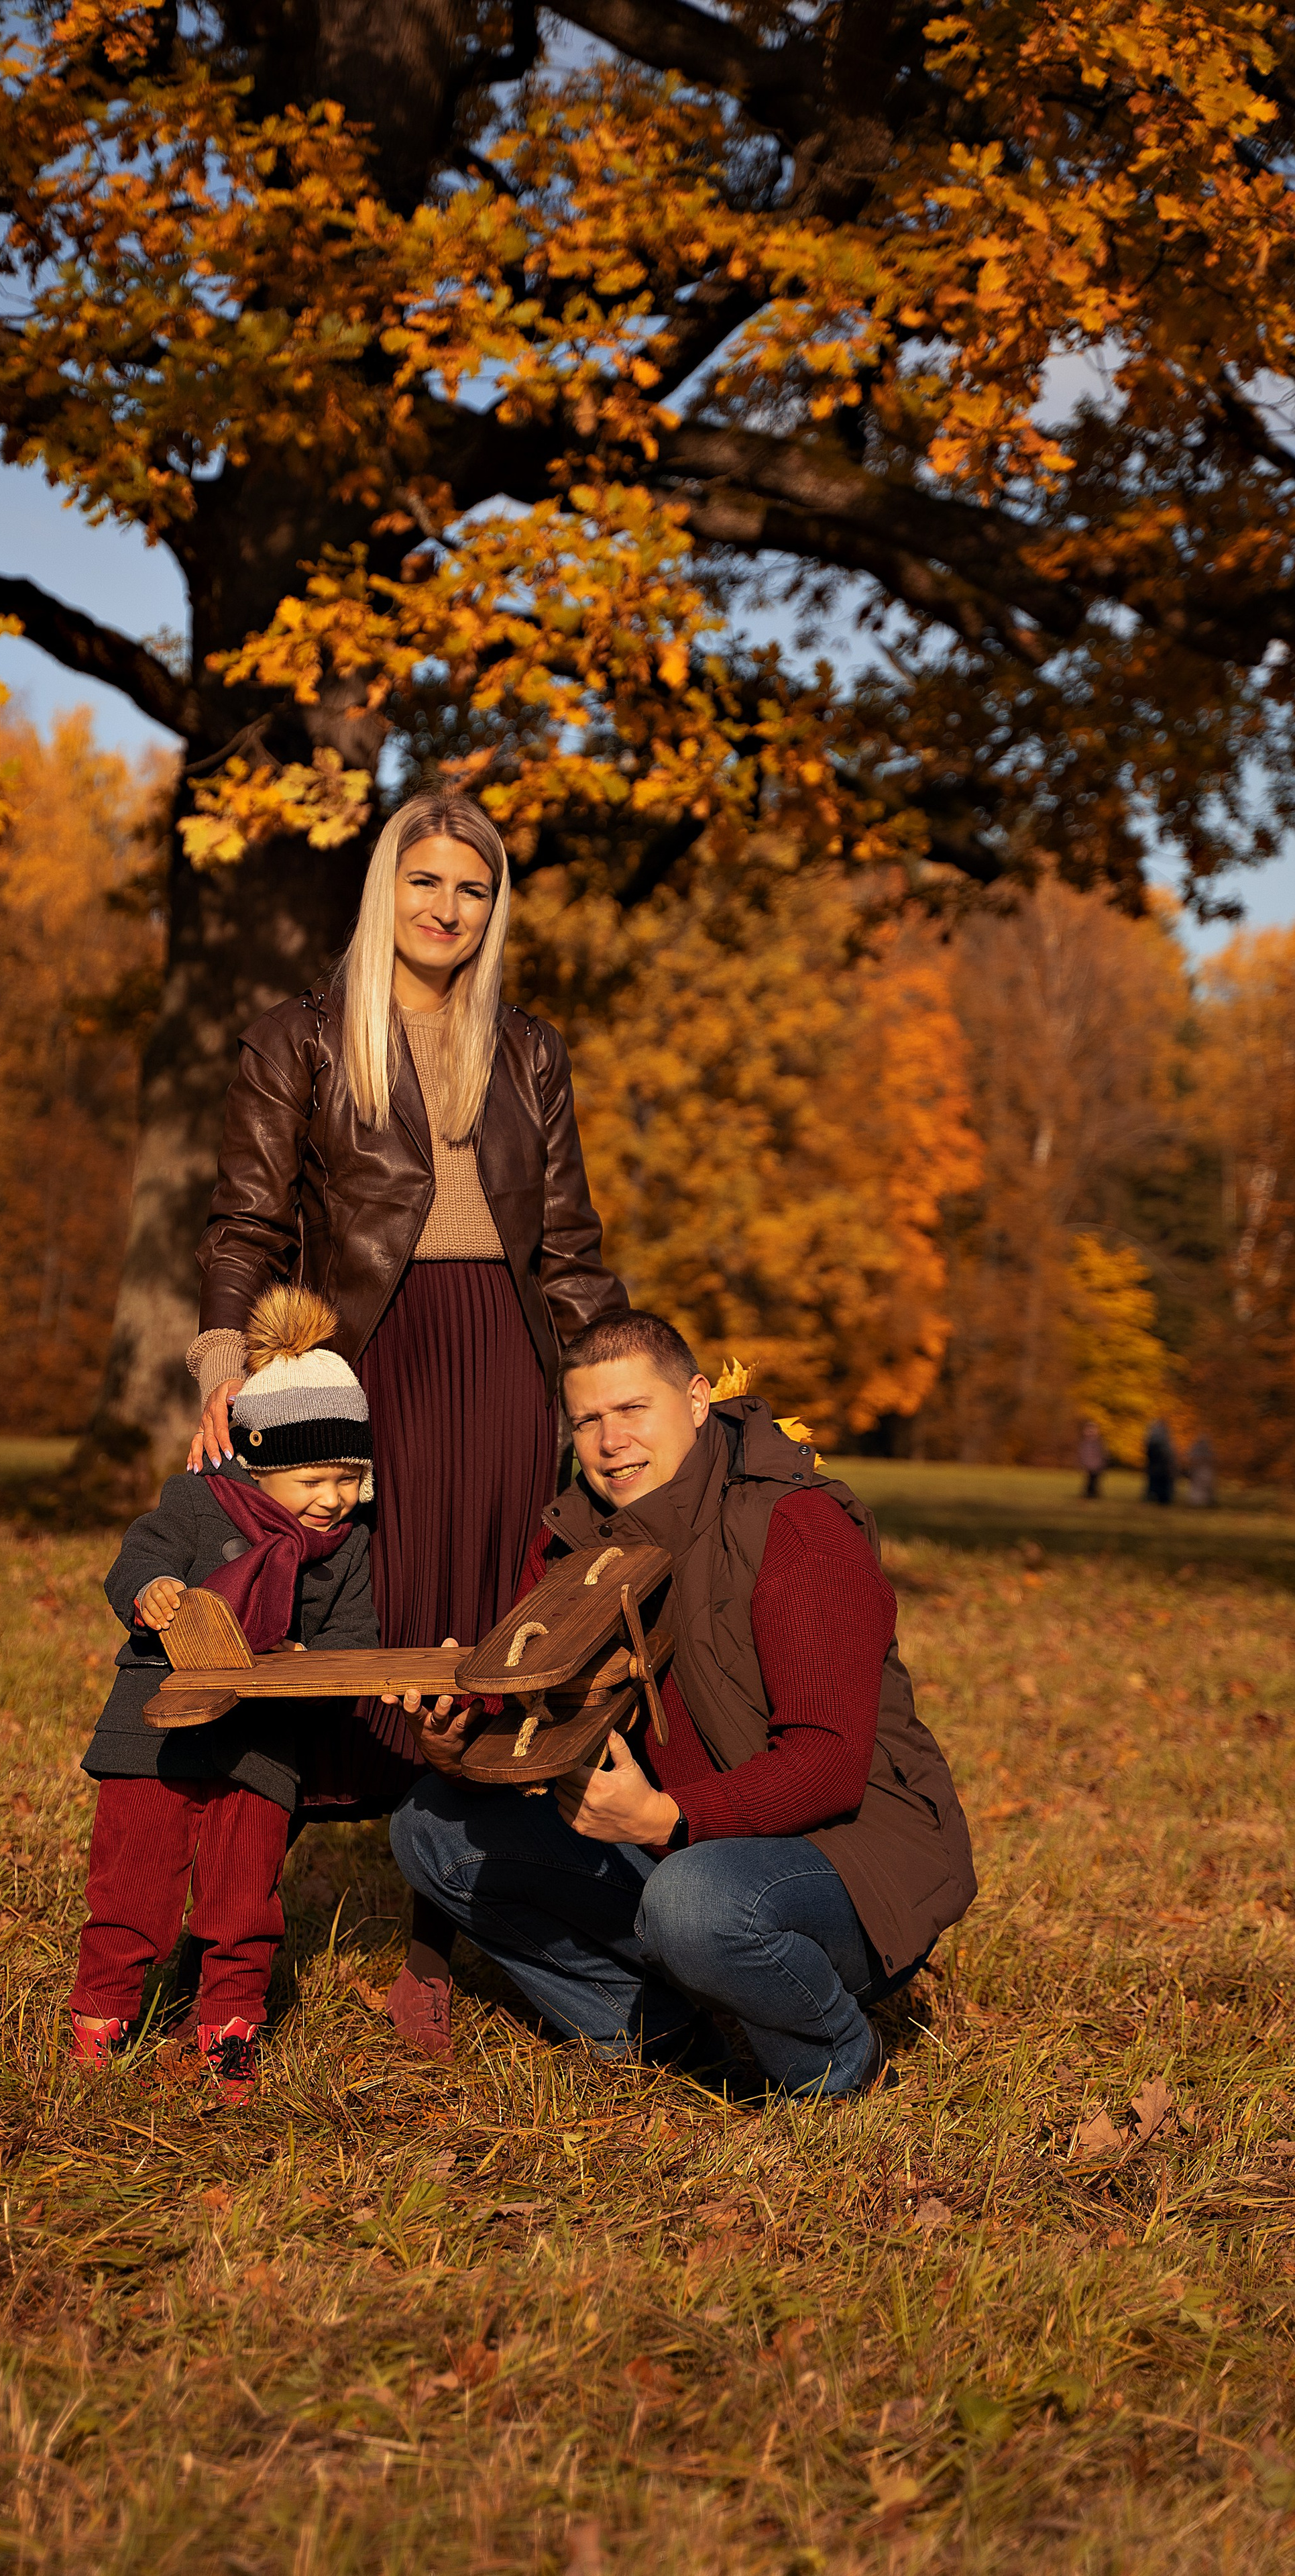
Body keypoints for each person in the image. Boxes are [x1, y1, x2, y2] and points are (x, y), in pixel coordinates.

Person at [184, 788, 627, 2057]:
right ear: (388, 890)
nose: (447, 908)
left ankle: (434, 1948)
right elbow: (247, 1225)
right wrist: (224, 1362)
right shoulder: (302, 1039)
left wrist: (625, 1387)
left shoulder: (528, 1053)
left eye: (472, 890)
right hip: (363, 1364)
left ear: (495, 910)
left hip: (501, 1367)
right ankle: (235, 1940)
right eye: (426, 882)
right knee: (346, 1626)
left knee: (484, 1634)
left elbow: (570, 1251)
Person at [389, 1312, 978, 2100]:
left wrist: (665, 1819)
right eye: (587, 1421)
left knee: (693, 1897)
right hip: (681, 1841)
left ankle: (838, 2070)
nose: (610, 1442)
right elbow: (537, 1729)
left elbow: (828, 1765)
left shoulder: (796, 1524)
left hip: (849, 1860)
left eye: (633, 1409)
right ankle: (662, 2043)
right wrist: (456, 1745)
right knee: (431, 1828)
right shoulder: (576, 1540)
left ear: (697, 1400)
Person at [69, 1288, 379, 2104]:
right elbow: (136, 1558)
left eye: (349, 1477)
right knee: (132, 1887)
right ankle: (101, 2018)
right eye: (313, 1478)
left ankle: (229, 2032)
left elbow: (355, 1639)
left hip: (262, 1743)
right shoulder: (196, 1503)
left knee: (244, 1901)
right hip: (155, 1730)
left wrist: (311, 1669)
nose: (333, 1498)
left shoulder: (348, 1547)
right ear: (261, 1464)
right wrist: (153, 1590)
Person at [1144, 1417, 1177, 1507]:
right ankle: (1161, 1498)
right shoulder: (1162, 1439)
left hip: (1157, 1466)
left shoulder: (1153, 1437)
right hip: (1160, 1466)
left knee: (1156, 1482)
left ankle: (1157, 1497)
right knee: (1160, 1483)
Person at [1185, 1430, 1217, 1508]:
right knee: (1200, 1488)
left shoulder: (1200, 1449)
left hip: (1202, 1471)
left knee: (1203, 1488)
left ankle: (1201, 1502)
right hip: (1201, 1472)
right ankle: (1199, 1502)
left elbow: (1192, 1458)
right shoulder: (1205, 1450)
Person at [1077, 1420, 1107, 1500]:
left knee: (1095, 1480)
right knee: (1090, 1480)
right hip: (1090, 1464)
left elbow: (1103, 1453)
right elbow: (1083, 1454)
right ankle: (1090, 1493)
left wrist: (1102, 1462)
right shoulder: (1085, 1443)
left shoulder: (1099, 1443)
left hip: (1097, 1465)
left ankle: (1093, 1493)